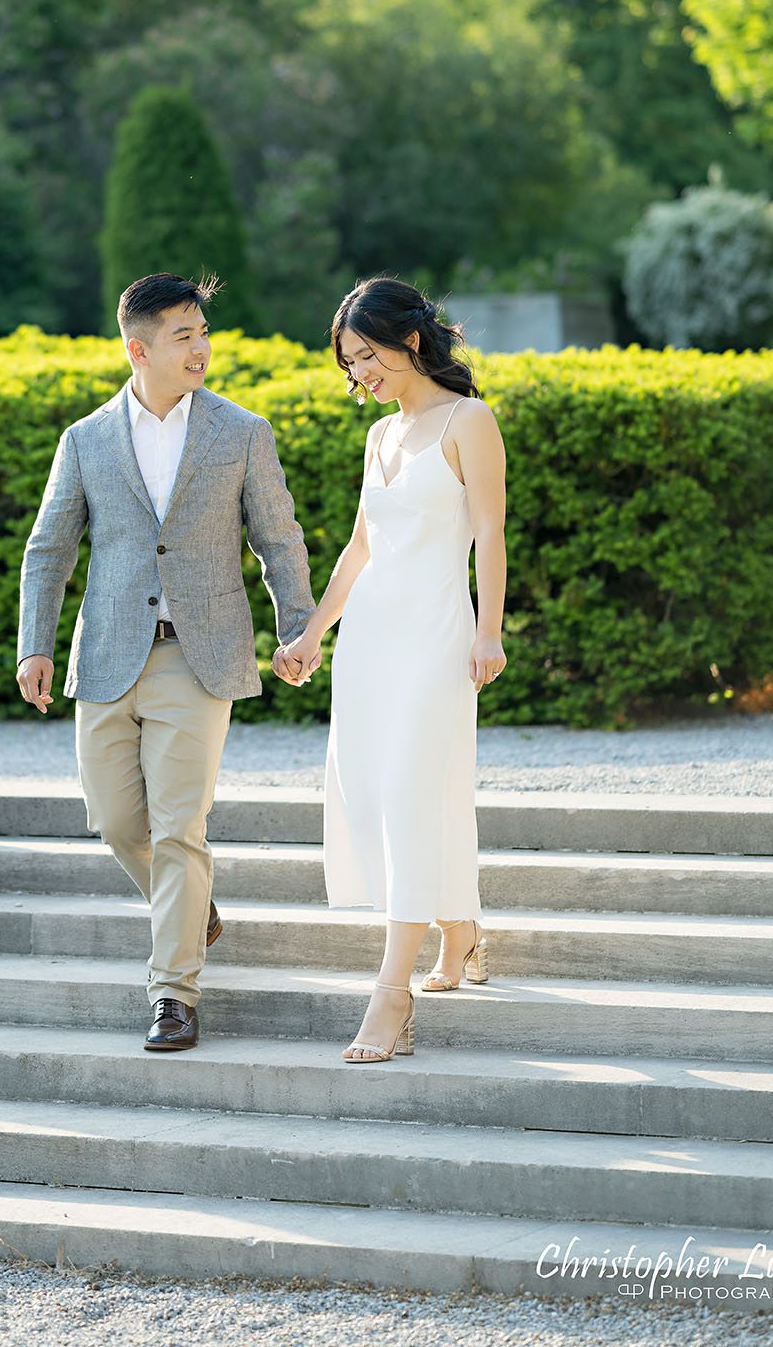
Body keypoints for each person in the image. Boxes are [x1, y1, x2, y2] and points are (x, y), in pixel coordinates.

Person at [16, 271, 314, 1052]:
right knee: (117, 823)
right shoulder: (84, 440)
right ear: (136, 348)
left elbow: (276, 537)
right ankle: (195, 911)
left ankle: (173, 994)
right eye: (184, 335)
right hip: (108, 655)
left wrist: (299, 626)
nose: (202, 349)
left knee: (181, 828)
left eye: (203, 332)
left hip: (199, 655)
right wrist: (34, 644)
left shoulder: (242, 431)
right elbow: (48, 550)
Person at [278, 276, 507, 1064]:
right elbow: (359, 548)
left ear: (410, 338)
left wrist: (489, 633)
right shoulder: (379, 437)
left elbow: (490, 535)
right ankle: (461, 926)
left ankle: (391, 996)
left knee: (414, 793)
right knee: (384, 795)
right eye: (348, 364)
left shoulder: (468, 420)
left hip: (438, 639)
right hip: (370, 643)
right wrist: (312, 633)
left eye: (366, 355)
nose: (360, 374)